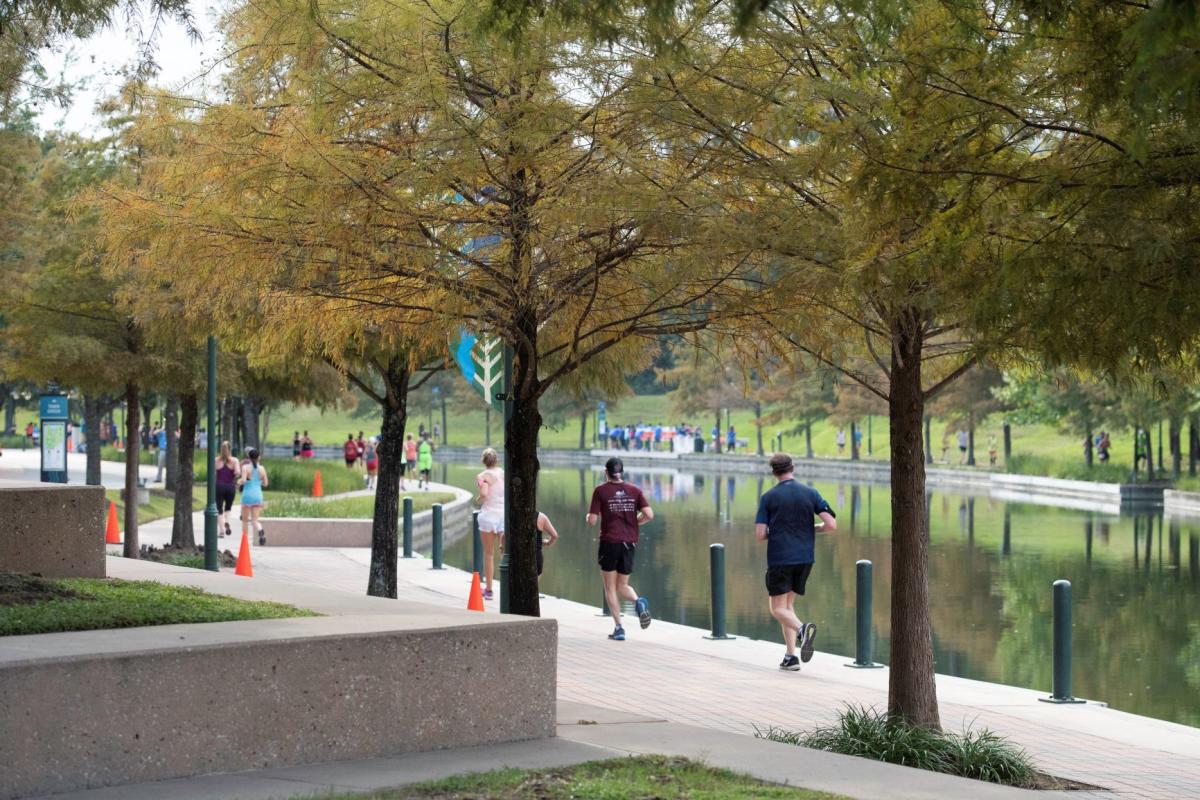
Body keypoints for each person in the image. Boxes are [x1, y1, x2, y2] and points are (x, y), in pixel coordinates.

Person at [756, 453, 837, 671]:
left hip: (781, 558)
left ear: (773, 472)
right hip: (805, 558)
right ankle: (791, 657)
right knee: (788, 606)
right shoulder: (811, 493)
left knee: (776, 609)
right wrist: (814, 528)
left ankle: (803, 631)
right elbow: (830, 525)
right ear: (793, 467)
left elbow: (760, 534)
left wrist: (777, 531)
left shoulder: (769, 497)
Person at [587, 456, 653, 641]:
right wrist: (635, 523)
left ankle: (619, 628)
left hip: (610, 542)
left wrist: (588, 518)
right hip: (629, 542)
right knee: (622, 585)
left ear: (605, 472)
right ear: (621, 472)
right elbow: (649, 514)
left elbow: (592, 520)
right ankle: (638, 602)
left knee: (610, 587)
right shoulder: (635, 490)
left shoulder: (600, 491)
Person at [476, 448, 505, 600]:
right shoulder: (502, 473)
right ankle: (507, 587)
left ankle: (489, 590)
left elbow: (484, 494)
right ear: (496, 460)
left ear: (483, 461)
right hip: (503, 516)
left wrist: (478, 499)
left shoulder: (482, 476)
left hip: (488, 517)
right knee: (504, 553)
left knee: (489, 554)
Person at [238, 447, 269, 546]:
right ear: (259, 457)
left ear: (249, 457)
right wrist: (258, 481)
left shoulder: (245, 468)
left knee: (245, 520)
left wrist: (238, 481)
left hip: (247, 495)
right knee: (255, 521)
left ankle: (245, 542)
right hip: (257, 496)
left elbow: (243, 481)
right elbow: (265, 484)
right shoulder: (262, 469)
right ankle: (260, 530)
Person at [214, 441, 240, 538]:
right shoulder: (235, 460)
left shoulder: (216, 460)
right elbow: (237, 472)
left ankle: (222, 531)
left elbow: (212, 473)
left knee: (219, 509)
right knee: (228, 508)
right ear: (230, 449)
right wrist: (234, 476)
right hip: (230, 487)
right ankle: (227, 522)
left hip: (219, 486)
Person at [536, 511, 559, 581]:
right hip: (536, 558)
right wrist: (547, 543)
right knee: (533, 588)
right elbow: (554, 535)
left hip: (518, 556)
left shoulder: (516, 515)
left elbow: (505, 535)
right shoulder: (541, 517)